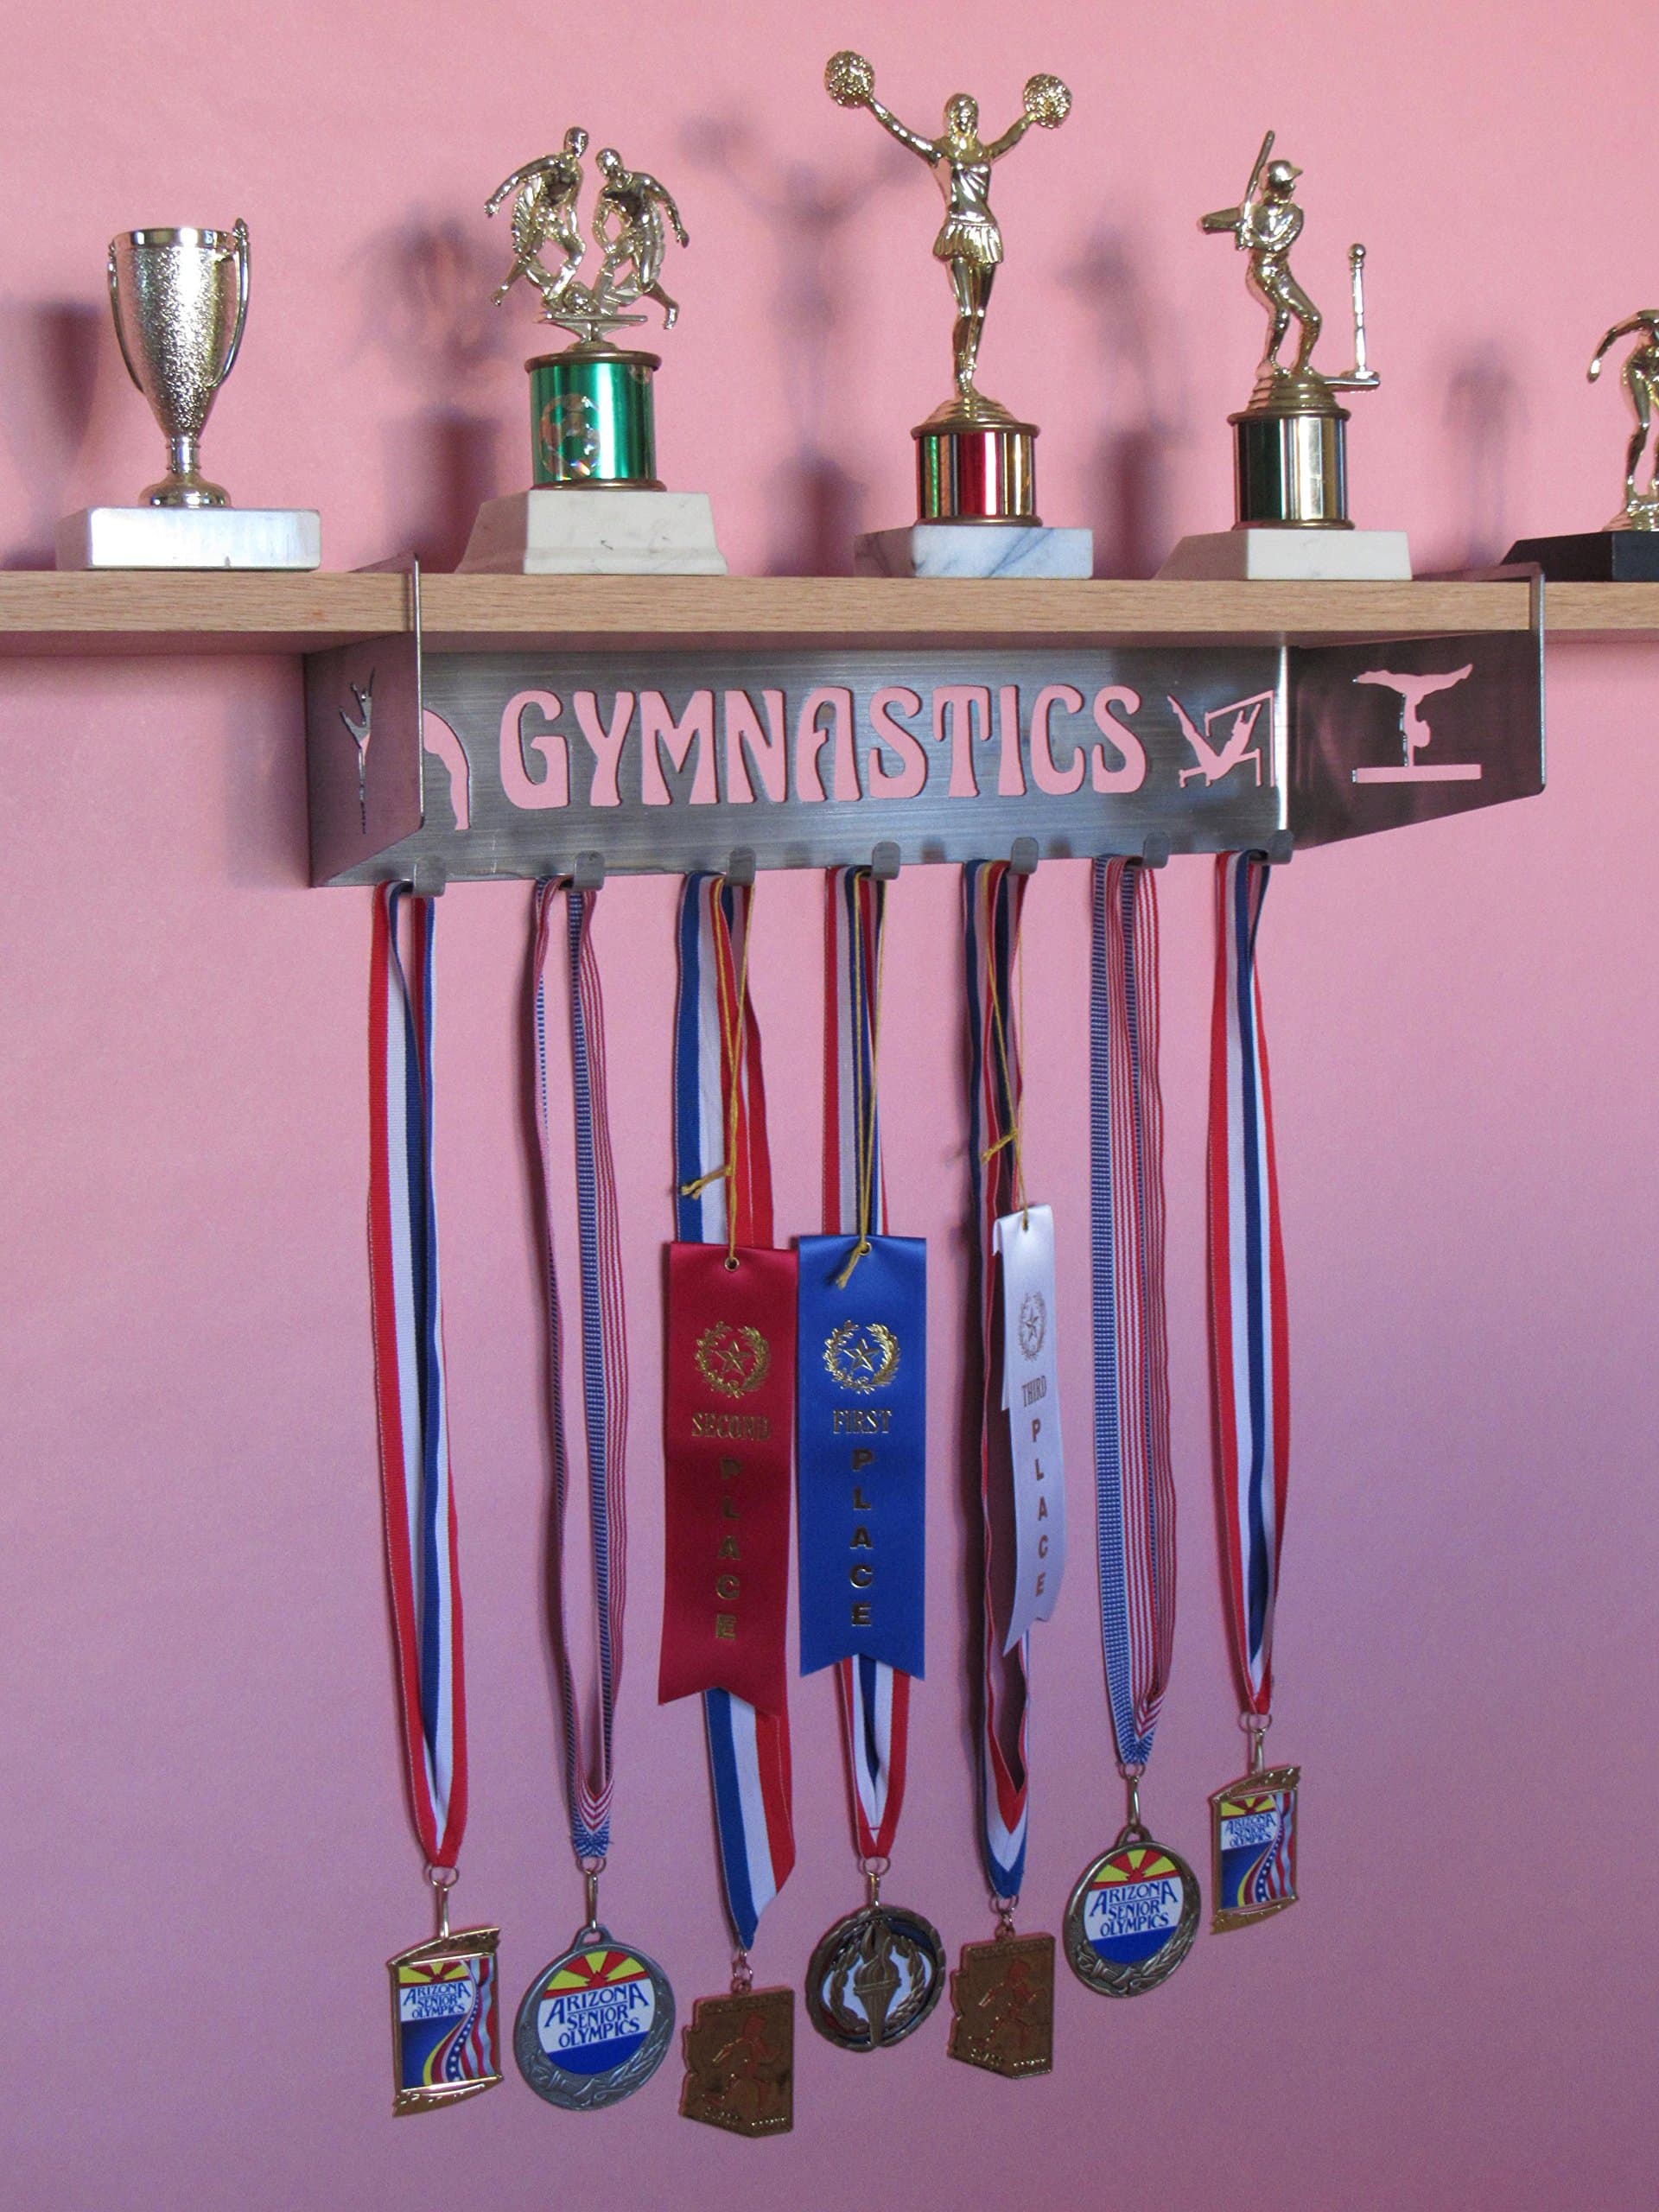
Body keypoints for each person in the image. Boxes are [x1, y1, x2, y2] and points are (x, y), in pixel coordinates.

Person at [1202, 156, 1323, 380]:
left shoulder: (1294, 213)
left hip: (1281, 274)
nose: (1293, 186)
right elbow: (1206, 223)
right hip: (1260, 274)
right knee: (1280, 313)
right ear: (1276, 188)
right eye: (1288, 183)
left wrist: (1249, 239)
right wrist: (1237, 220)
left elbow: (1278, 244)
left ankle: (1302, 366)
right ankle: (1268, 362)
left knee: (1312, 318)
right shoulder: (1253, 212)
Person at [486, 129, 589, 315]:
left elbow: (571, 207)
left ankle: (553, 295)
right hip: (541, 215)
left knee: (578, 251)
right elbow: (518, 176)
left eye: (583, 144)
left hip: (554, 219)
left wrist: (574, 232)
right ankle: (504, 289)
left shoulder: (578, 174)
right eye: (576, 142)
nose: (579, 147)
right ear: (566, 142)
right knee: (530, 252)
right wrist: (496, 199)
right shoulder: (552, 163)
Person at [593, 149, 690, 329]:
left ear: (618, 162)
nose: (606, 170)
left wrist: (678, 229)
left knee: (644, 282)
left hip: (648, 234)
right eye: (602, 167)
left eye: (608, 164)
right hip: (629, 235)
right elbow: (598, 223)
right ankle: (596, 305)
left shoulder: (641, 182)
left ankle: (670, 305)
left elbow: (666, 200)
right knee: (609, 263)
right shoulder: (607, 194)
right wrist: (606, 244)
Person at [1588, 310, 1659, 519]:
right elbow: (1614, 333)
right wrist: (1596, 363)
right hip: (1637, 371)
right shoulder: (1650, 319)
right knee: (1643, 425)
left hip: (1656, 374)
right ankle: (1629, 483)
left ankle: (1656, 481)